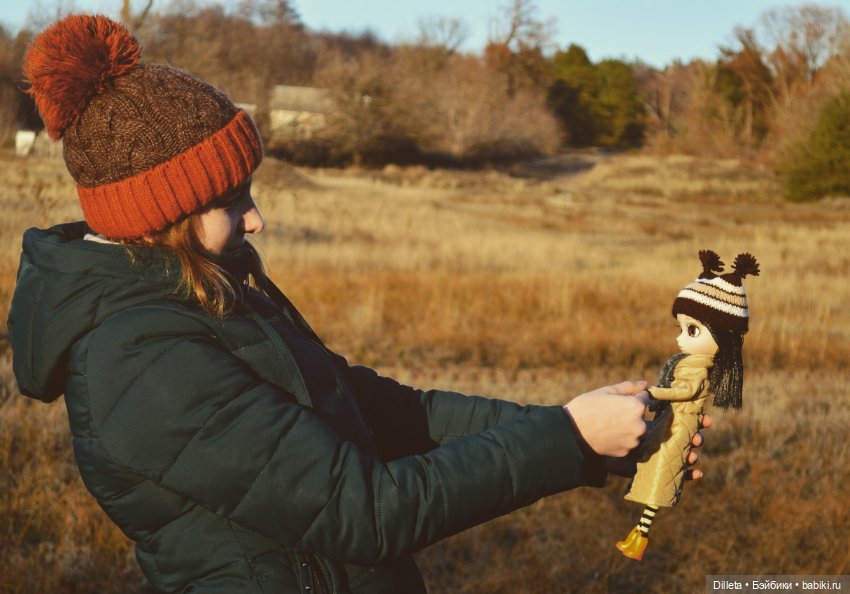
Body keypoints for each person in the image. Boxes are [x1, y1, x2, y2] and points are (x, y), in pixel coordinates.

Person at [8, 15, 708, 594]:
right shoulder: (139, 359)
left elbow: (382, 411)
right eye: (231, 201)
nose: (256, 220)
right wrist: (568, 438)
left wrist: (580, 431)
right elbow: (367, 513)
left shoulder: (203, 293)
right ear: (163, 213)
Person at [616, 250, 758, 561]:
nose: (681, 339)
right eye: (680, 328)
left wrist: (654, 392)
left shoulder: (696, 370)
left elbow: (687, 390)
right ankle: (636, 536)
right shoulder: (688, 362)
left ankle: (638, 539)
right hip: (670, 426)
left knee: (659, 485)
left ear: (722, 337)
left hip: (675, 430)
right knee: (655, 477)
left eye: (692, 330)